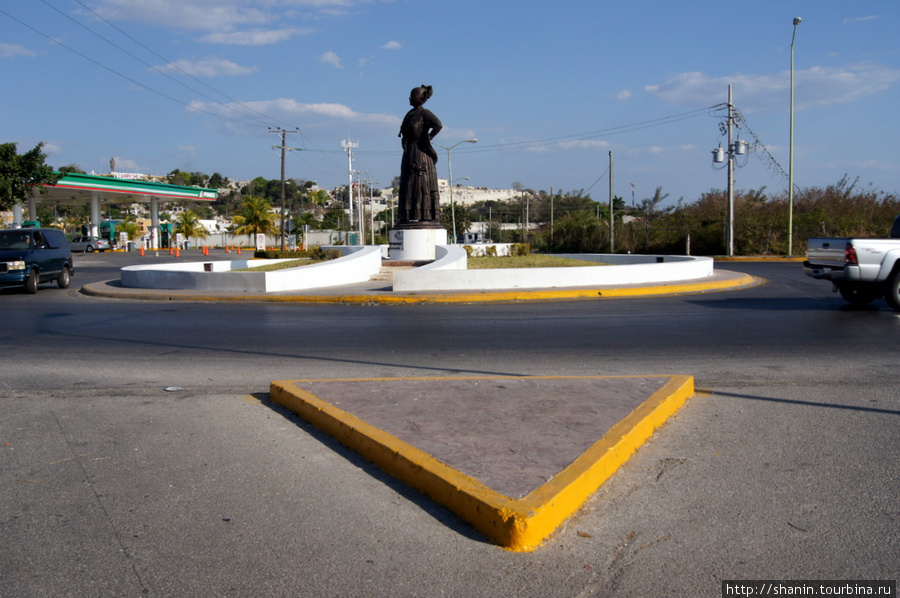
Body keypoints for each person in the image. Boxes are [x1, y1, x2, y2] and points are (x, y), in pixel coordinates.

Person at [397, 85, 442, 223]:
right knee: (407, 183)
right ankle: (407, 216)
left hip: (421, 153)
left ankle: (424, 215)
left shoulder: (425, 113)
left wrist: (428, 138)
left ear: (421, 98)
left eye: (413, 96)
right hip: (408, 152)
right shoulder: (409, 114)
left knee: (420, 184)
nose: (410, 98)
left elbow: (438, 125)